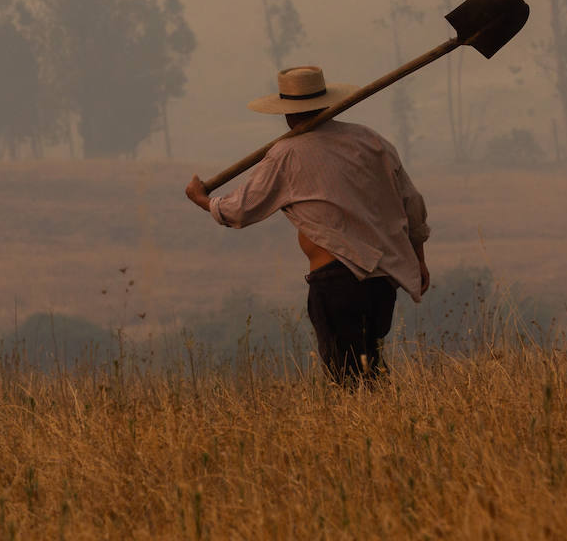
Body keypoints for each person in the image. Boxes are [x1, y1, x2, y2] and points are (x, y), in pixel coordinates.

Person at [184, 65, 430, 384]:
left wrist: (202, 199)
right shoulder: (371, 141)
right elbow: (413, 205)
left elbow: (239, 210)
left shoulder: (286, 154)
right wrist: (419, 259)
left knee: (349, 379)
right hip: (382, 282)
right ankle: (385, 426)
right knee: (370, 369)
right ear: (327, 102)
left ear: (286, 113)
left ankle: (368, 429)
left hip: (338, 280)